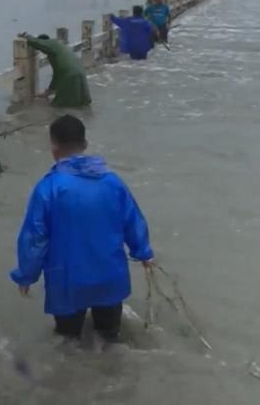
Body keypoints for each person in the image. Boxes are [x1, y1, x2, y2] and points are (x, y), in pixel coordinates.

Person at [10, 115, 154, 340]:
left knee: (68, 343)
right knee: (109, 340)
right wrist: (143, 253)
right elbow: (133, 220)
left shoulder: (48, 188)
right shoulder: (112, 182)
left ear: (53, 147)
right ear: (85, 144)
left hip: (68, 283)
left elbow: (35, 239)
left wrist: (26, 275)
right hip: (110, 278)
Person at [20, 32, 92, 107]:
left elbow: (36, 42)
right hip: (80, 73)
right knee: (81, 104)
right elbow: (56, 76)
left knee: (58, 107)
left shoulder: (51, 43)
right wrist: (48, 92)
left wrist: (27, 36)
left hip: (69, 74)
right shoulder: (59, 47)